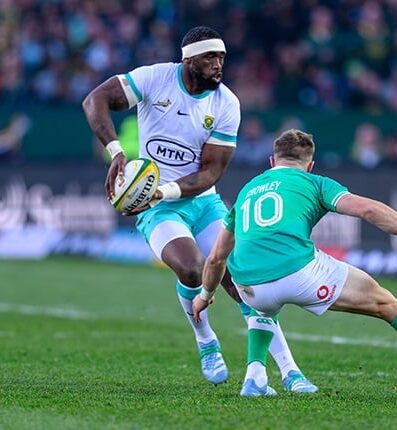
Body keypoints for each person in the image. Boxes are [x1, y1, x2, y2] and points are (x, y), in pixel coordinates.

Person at [82, 26, 317, 395]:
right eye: (210, 57)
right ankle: (205, 338)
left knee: (246, 284)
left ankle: (290, 372)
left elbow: (211, 172)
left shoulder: (226, 103)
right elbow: (94, 100)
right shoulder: (155, 78)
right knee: (192, 269)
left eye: (222, 57)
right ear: (188, 59)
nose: (218, 65)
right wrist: (117, 153)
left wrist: (163, 190)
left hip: (199, 201)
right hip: (157, 208)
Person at [193, 128, 397, 395]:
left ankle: (255, 378)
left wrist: (205, 296)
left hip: (246, 283)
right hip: (298, 274)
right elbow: (368, 210)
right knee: (385, 304)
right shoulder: (315, 183)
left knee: (262, 307)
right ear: (310, 165)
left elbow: (217, 256)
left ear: (272, 162)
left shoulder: (248, 190)